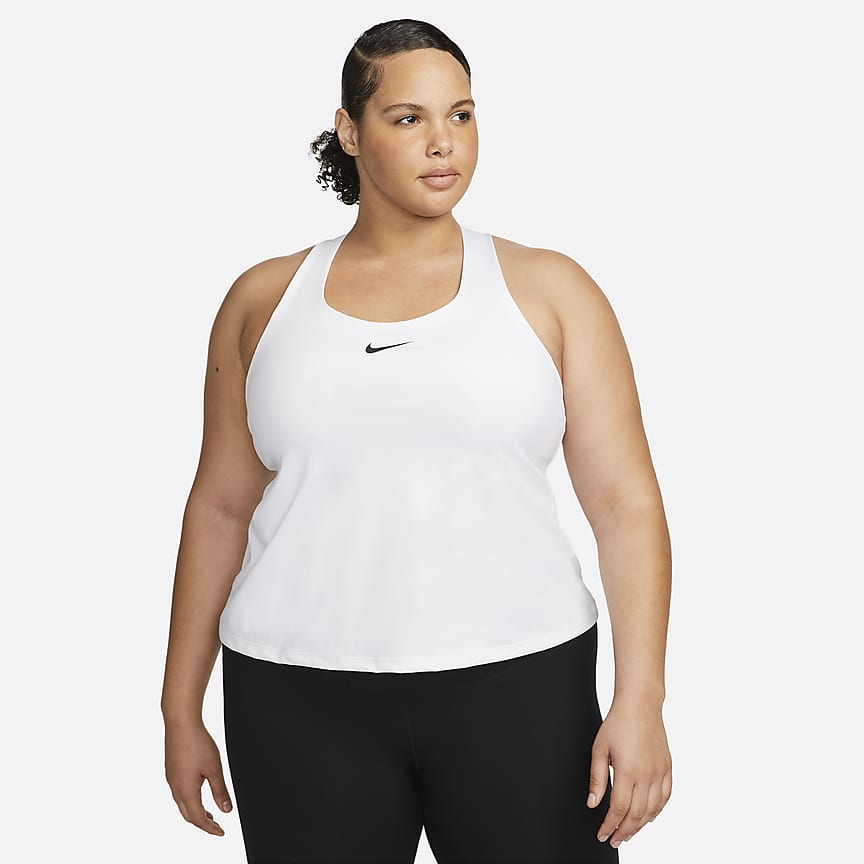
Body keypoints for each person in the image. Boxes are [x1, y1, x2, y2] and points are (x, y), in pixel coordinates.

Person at [161, 17, 672, 863]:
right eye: (409, 119)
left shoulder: (552, 290)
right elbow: (218, 507)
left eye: (461, 115)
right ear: (350, 130)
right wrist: (180, 707)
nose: (444, 143)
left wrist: (641, 698)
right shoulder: (263, 301)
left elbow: (626, 505)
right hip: (296, 698)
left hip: (522, 685)